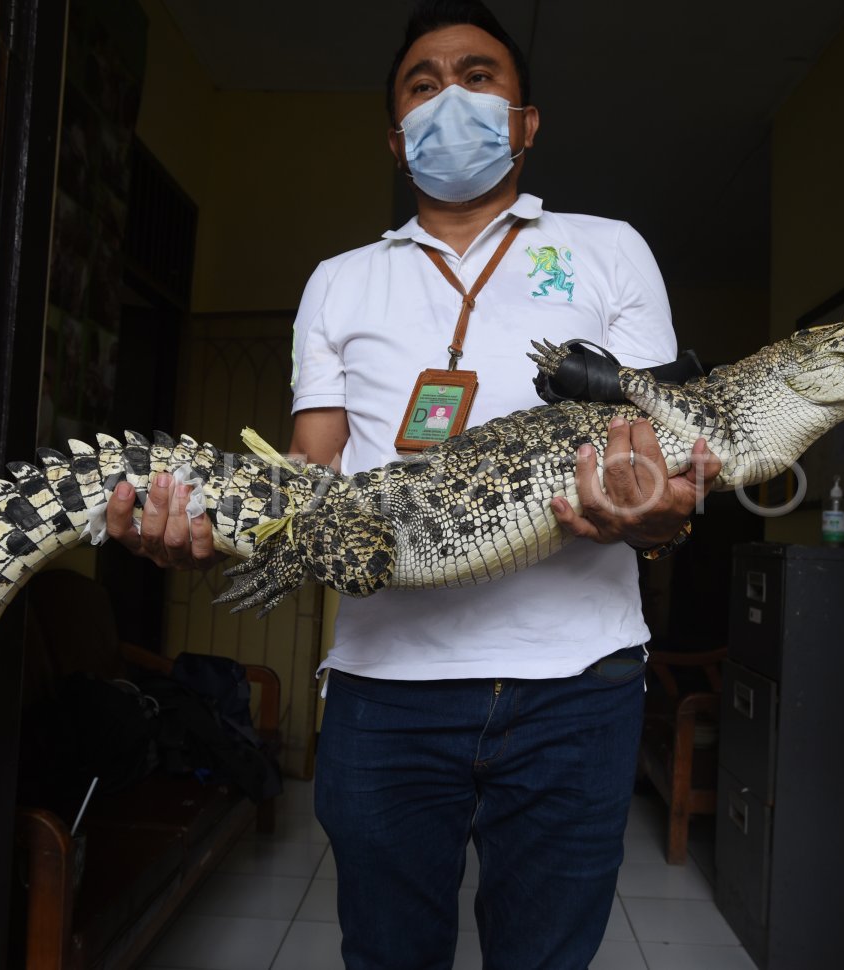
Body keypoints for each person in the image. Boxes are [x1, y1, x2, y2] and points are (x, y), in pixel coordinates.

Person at [108, 2, 720, 966]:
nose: (453, 101)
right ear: (398, 138)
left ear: (526, 123)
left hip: (578, 687)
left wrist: (659, 520)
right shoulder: (340, 281)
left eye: (480, 78)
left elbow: (657, 467)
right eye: (424, 86)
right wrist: (207, 526)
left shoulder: (611, 250)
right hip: (385, 690)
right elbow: (311, 480)